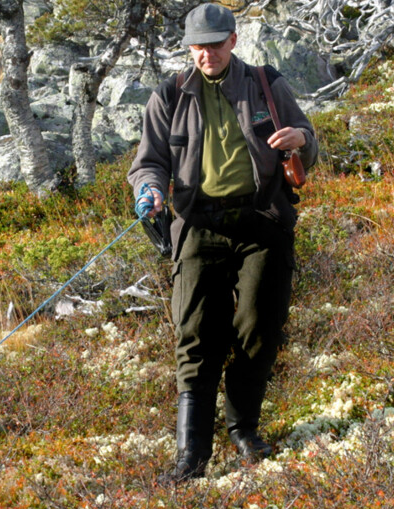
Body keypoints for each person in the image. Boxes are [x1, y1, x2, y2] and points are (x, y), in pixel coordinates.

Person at [127, 2, 318, 482]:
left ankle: (244, 430)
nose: (206, 54)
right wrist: (149, 189)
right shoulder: (168, 94)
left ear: (233, 40)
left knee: (260, 328)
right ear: (189, 46)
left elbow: (308, 139)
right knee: (194, 336)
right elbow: (148, 162)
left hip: (262, 221)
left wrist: (300, 139)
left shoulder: (266, 84)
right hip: (197, 223)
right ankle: (191, 457)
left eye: (215, 44)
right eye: (198, 46)